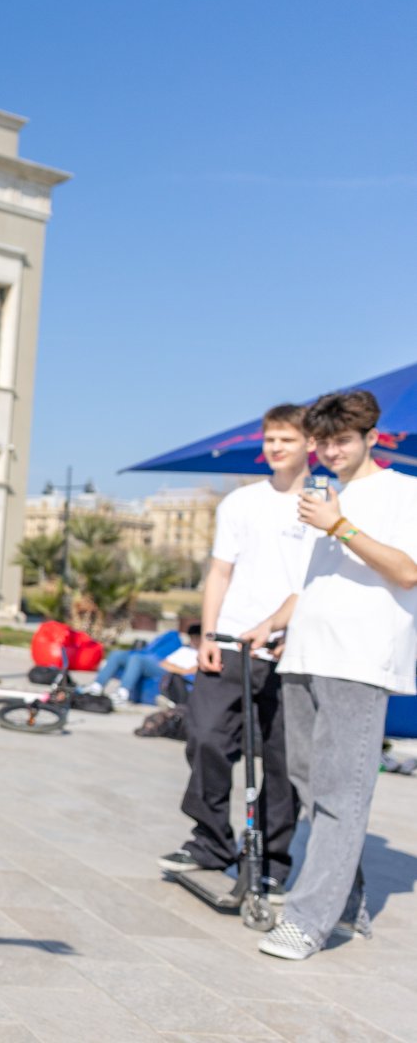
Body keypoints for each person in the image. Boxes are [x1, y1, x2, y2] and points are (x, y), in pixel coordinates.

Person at [240, 391, 417, 961]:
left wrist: (338, 524)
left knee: (342, 791)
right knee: (310, 786)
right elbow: (313, 585)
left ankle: (308, 920)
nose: (331, 452)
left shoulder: (404, 492)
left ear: (372, 437)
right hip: (304, 654)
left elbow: (407, 572)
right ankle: (345, 903)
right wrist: (270, 623)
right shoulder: (322, 496)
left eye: (342, 440)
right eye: (322, 443)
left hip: (359, 659)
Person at [157, 404, 310, 888]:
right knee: (205, 737)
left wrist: (296, 631)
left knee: (283, 761)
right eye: (270, 439)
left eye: (287, 439)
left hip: (291, 649)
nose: (276, 447)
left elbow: (319, 584)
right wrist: (208, 633)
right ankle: (211, 841)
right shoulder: (241, 503)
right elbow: (220, 572)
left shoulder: (326, 505)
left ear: (311, 444)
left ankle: (269, 861)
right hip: (230, 642)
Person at [94, 623, 200, 707]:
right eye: (192, 637)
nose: (194, 640)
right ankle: (97, 686)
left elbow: (192, 670)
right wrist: (177, 668)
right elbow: (164, 663)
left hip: (170, 675)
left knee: (137, 658)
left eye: (197, 637)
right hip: (165, 669)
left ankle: (122, 693)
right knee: (117, 654)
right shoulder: (184, 649)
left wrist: (176, 669)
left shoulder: (202, 654)